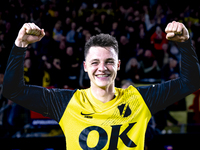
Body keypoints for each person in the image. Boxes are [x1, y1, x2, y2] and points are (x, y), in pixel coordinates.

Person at [2, 21, 200, 150]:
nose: (102, 68)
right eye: (95, 62)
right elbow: (14, 90)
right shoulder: (65, 102)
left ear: (118, 65)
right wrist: (20, 45)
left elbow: (190, 82)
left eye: (109, 62)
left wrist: (185, 43)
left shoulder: (141, 99)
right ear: (86, 67)